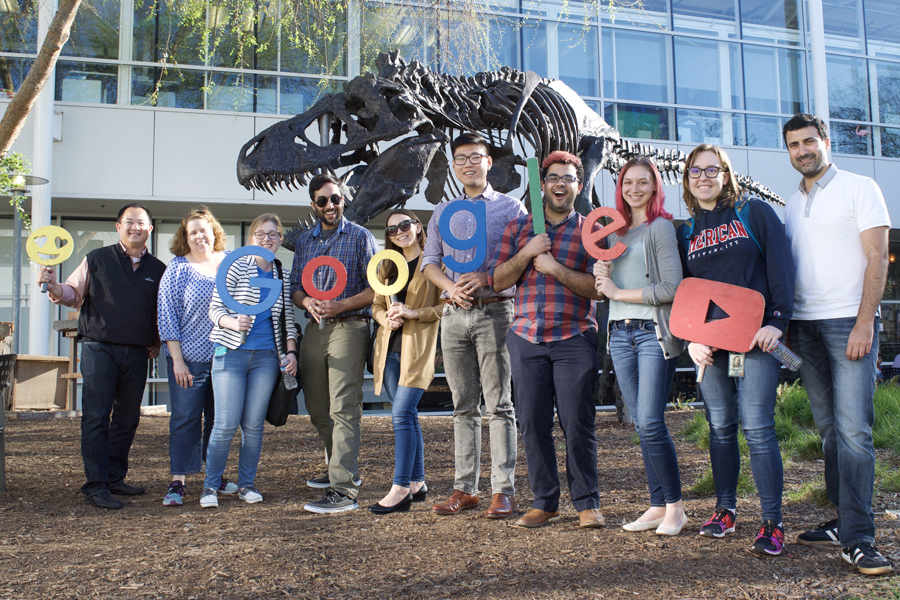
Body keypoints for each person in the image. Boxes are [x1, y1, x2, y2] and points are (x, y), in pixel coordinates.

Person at [783, 113, 893, 575]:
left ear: (825, 142)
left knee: (854, 432)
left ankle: (860, 538)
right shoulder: (791, 202)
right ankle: (841, 518)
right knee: (829, 431)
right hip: (803, 328)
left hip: (848, 322)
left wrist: (866, 322)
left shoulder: (860, 186)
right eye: (794, 145)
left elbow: (877, 256)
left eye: (810, 141)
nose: (803, 150)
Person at [676, 144, 795, 556]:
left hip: (756, 340)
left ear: (726, 175)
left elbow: (781, 265)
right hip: (710, 347)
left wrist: (777, 322)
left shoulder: (754, 213)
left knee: (758, 426)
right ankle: (725, 510)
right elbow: (687, 293)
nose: (704, 177)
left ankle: (773, 522)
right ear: (687, 179)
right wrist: (692, 338)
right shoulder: (686, 231)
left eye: (713, 170)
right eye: (695, 171)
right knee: (721, 426)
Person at [490, 151, 604, 528]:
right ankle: (544, 501)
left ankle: (587, 502)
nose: (560, 184)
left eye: (568, 178)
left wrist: (554, 267)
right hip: (526, 338)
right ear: (542, 185)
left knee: (576, 421)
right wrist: (528, 252)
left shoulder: (591, 231)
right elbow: (499, 280)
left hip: (573, 337)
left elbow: (597, 290)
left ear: (579, 185)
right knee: (532, 423)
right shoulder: (519, 229)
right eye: (553, 177)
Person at [422, 132, 525, 519]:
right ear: (454, 165)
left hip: (495, 312)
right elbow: (430, 261)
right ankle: (465, 489)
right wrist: (449, 288)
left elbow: (521, 263)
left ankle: (504, 490)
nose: (469, 163)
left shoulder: (511, 208)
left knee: (500, 405)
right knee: (462, 406)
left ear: (488, 162)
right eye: (461, 158)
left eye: (476, 157)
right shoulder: (443, 211)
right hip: (453, 316)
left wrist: (488, 278)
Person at [38, 203, 166, 510]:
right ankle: (95, 485)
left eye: (142, 223)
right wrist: (54, 285)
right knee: (96, 417)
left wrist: (158, 340)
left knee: (127, 418)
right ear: (118, 226)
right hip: (99, 348)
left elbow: (162, 311)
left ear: (150, 229)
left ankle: (113, 477)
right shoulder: (96, 259)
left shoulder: (159, 269)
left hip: (137, 353)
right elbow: (73, 293)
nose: (136, 227)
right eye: (129, 222)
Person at [592, 157, 686, 535]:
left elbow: (672, 289)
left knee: (650, 421)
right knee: (639, 423)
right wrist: (602, 279)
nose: (634, 188)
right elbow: (610, 286)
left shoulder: (660, 228)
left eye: (643, 182)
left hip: (652, 333)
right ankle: (657, 503)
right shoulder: (615, 234)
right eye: (628, 182)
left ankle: (676, 508)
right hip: (619, 334)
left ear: (654, 186)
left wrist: (618, 290)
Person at [291, 174, 377, 514]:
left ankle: (344, 488)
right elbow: (297, 287)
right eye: (324, 201)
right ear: (313, 205)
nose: (331, 206)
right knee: (316, 407)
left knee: (343, 407)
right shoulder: (305, 242)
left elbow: (376, 289)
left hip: (350, 326)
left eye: (336, 199)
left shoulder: (360, 236)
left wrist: (341, 305)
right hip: (316, 328)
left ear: (344, 201)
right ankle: (337, 468)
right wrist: (306, 302)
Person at [201, 214, 298, 508]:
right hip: (230, 353)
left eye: (273, 234)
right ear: (250, 238)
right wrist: (232, 322)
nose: (267, 239)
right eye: (260, 234)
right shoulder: (233, 265)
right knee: (225, 423)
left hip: (267, 358)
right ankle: (209, 487)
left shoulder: (282, 273)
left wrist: (290, 351)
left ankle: (246, 485)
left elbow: (288, 319)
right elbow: (214, 309)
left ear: (280, 239)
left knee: (254, 425)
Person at [157, 207, 236, 506]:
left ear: (214, 231)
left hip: (227, 358)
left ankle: (214, 476)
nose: (200, 236)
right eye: (193, 232)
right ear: (185, 238)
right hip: (189, 359)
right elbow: (167, 318)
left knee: (219, 420)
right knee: (185, 419)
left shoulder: (230, 263)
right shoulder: (177, 269)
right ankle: (178, 480)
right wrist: (177, 360)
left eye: (204, 229)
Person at [368, 209, 443, 514]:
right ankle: (417, 482)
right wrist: (384, 316)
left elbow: (445, 306)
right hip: (388, 352)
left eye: (404, 224)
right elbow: (375, 305)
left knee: (400, 415)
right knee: (408, 415)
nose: (399, 231)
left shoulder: (433, 263)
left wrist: (414, 313)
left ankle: (400, 488)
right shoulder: (386, 268)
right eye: (392, 229)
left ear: (417, 226)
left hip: (418, 350)